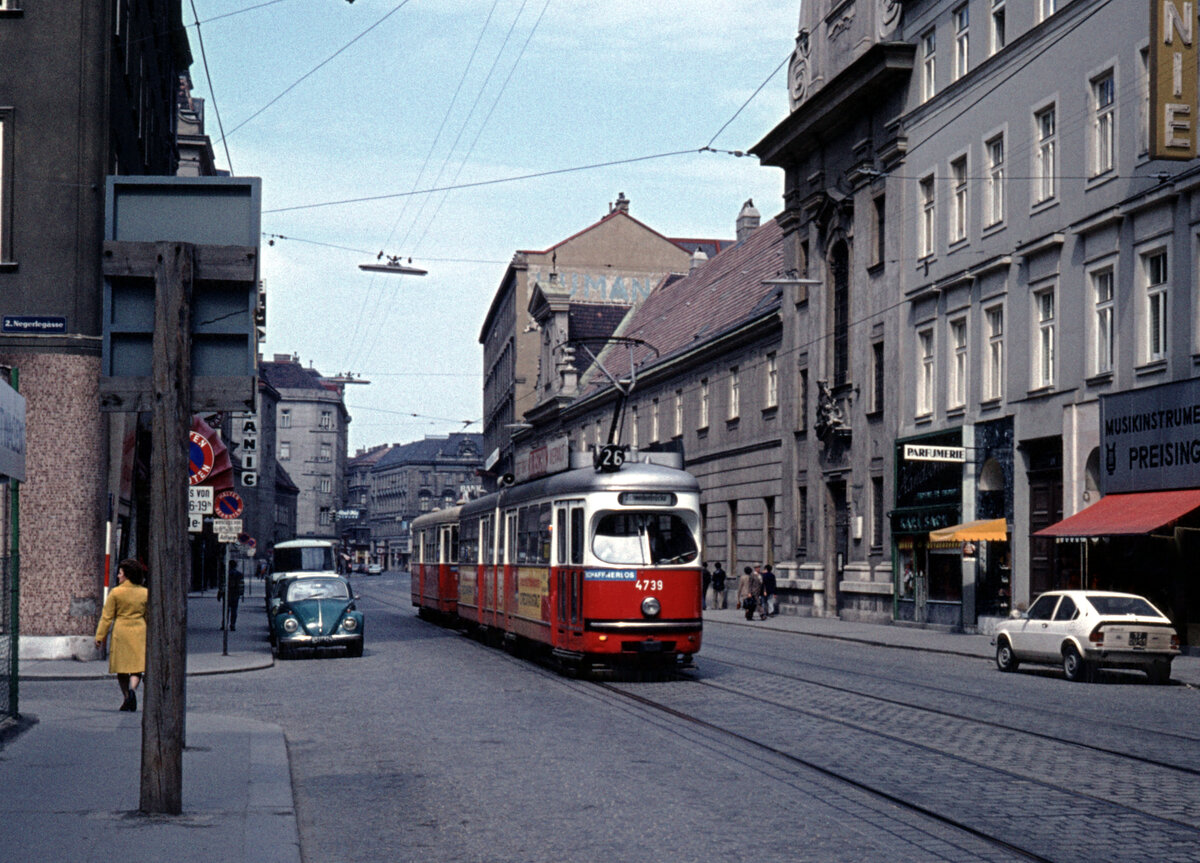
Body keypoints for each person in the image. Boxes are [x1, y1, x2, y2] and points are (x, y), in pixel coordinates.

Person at [94, 558, 148, 712]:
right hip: (139, 631)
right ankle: (132, 690)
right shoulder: (145, 593)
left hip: (121, 632)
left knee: (122, 669)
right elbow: (149, 616)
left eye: (120, 573)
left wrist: (100, 636)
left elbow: (107, 616)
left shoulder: (116, 593)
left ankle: (126, 696)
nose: (118, 576)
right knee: (137, 668)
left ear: (127, 575)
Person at [221, 563, 245, 631]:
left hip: (227, 594)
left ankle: (224, 624)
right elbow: (241, 584)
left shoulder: (225, 573)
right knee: (234, 610)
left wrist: (220, 593)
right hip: (235, 594)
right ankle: (233, 624)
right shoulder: (239, 574)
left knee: (226, 610)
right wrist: (241, 593)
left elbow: (223, 584)